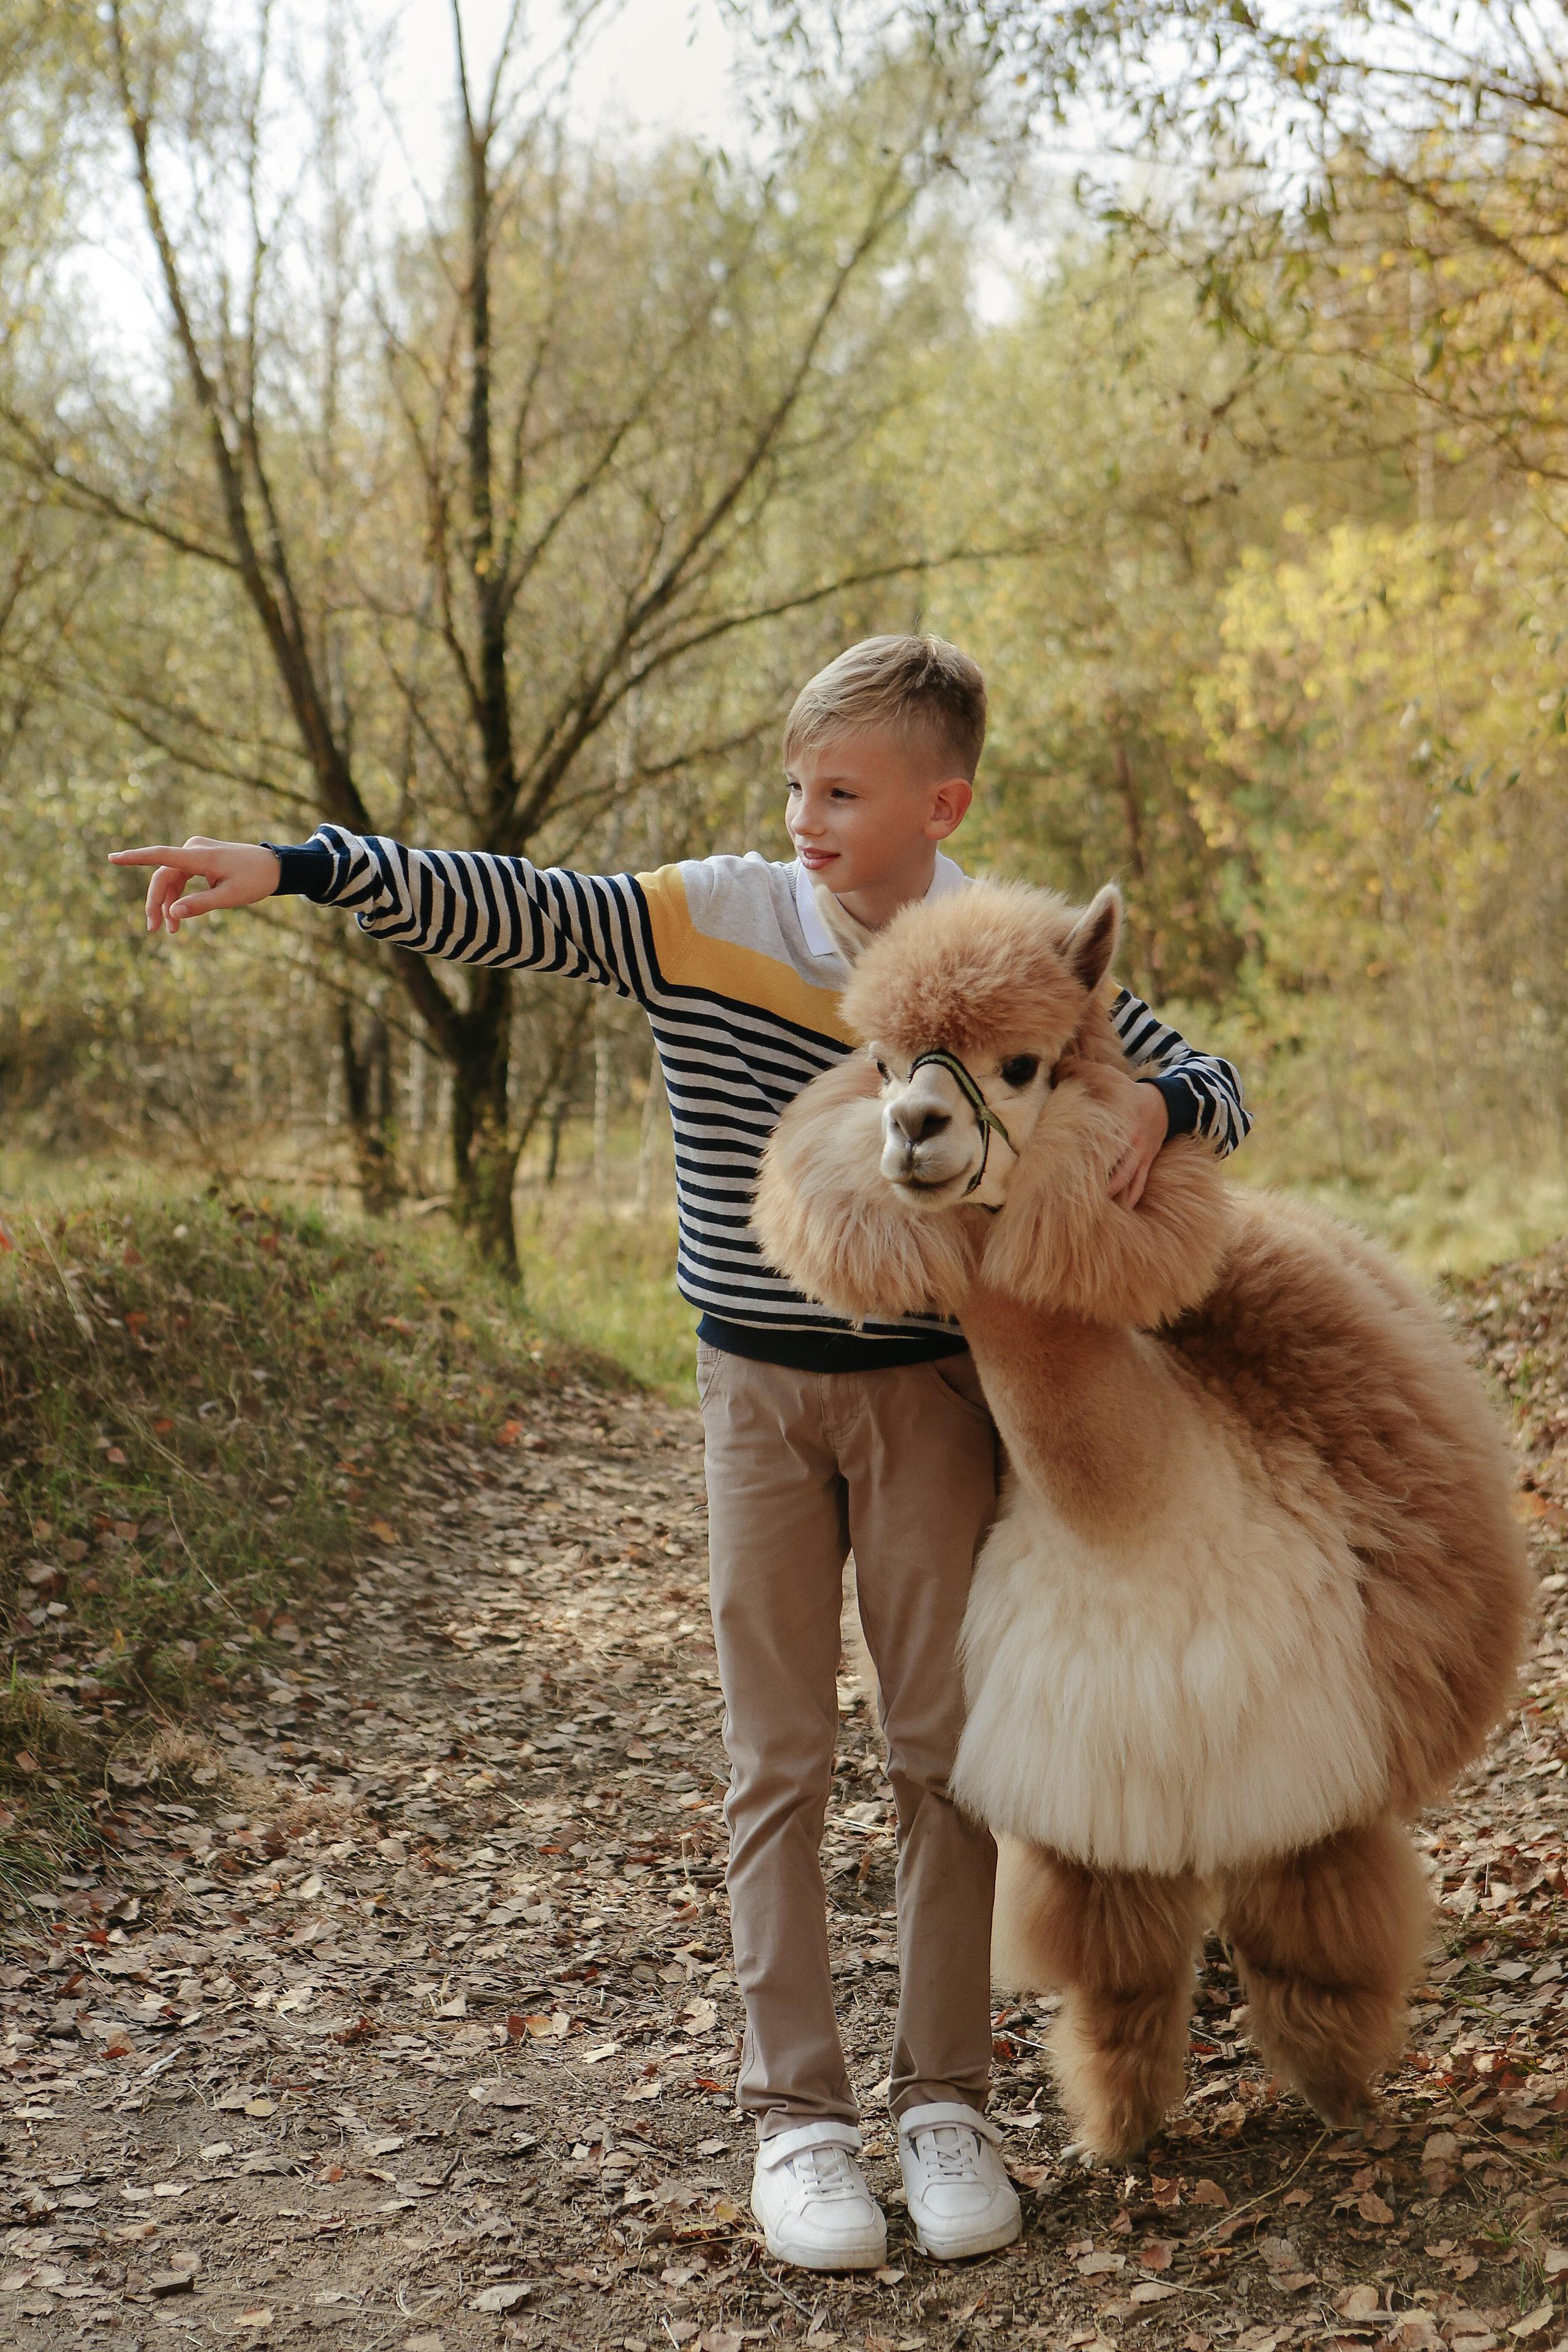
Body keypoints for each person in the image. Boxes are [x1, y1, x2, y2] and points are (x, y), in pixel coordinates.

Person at [110, 635, 1250, 2273]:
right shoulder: (707, 917)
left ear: (945, 802)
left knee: (944, 1747)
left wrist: (1165, 1108)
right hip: (759, 1399)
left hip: (942, 1400)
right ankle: (801, 2121)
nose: (804, 814)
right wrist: (296, 866)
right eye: (795, 783)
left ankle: (944, 2102)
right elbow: (504, 898)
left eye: (842, 791)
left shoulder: (998, 950)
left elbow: (1200, 1072)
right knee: (778, 1756)